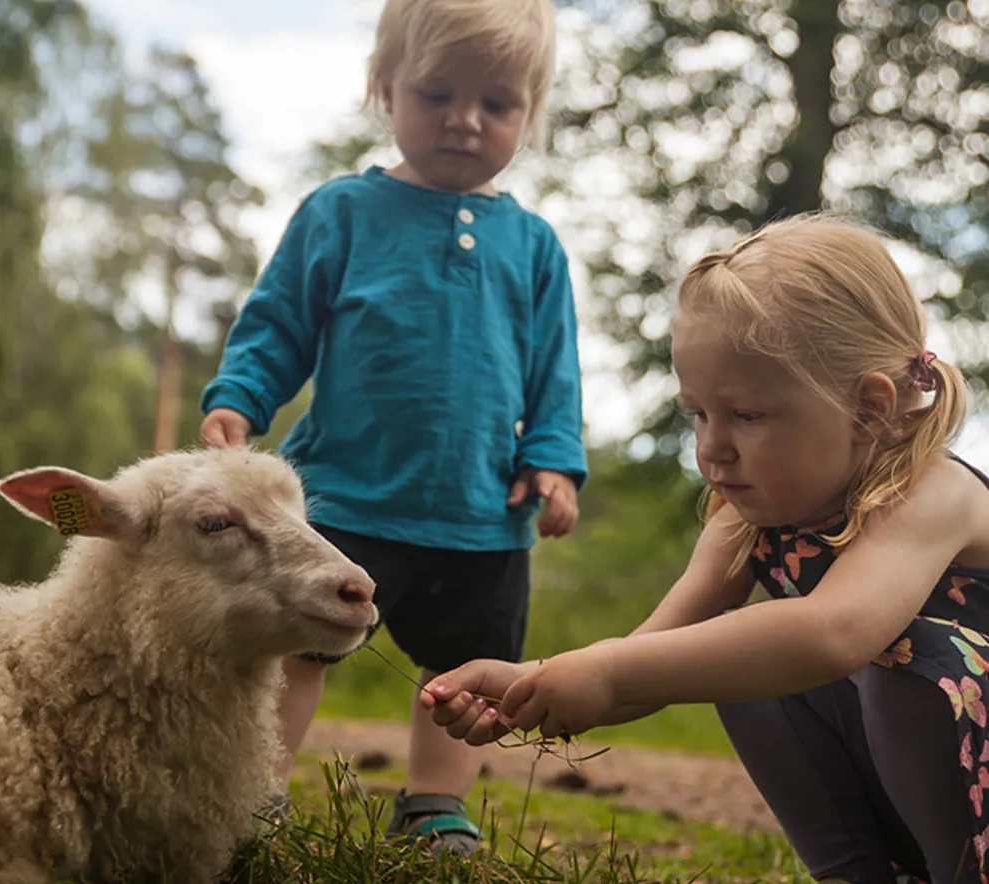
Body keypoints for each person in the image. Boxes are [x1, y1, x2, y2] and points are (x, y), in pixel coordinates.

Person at [422, 214, 989, 884]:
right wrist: (535, 682)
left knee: (909, 661)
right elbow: (651, 654)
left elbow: (830, 632)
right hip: (916, 789)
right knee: (732, 655)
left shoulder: (929, 491)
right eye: (698, 414)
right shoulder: (750, 514)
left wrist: (609, 673)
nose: (712, 447)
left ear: (868, 408)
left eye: (747, 415)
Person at [198, 0, 586, 856]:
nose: (464, 120)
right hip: (342, 499)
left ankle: (435, 803)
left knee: (464, 670)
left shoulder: (535, 246)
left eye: (497, 103)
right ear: (385, 88)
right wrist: (238, 399)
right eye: (437, 93)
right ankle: (254, 792)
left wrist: (554, 462)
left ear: (531, 111)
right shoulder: (341, 214)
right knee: (297, 649)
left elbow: (554, 374)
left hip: (482, 517)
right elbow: (277, 327)